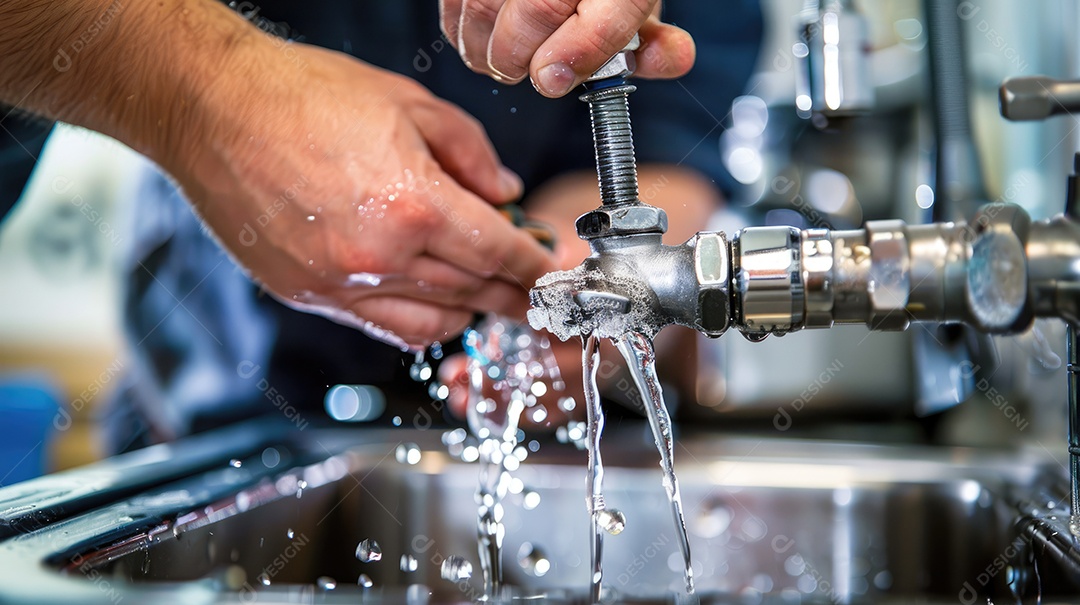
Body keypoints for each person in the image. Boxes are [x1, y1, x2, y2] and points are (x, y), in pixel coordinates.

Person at [0, 1, 763, 450]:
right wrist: (212, 95)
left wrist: (573, 275)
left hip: (550, 433)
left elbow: (672, 147)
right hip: (218, 410)